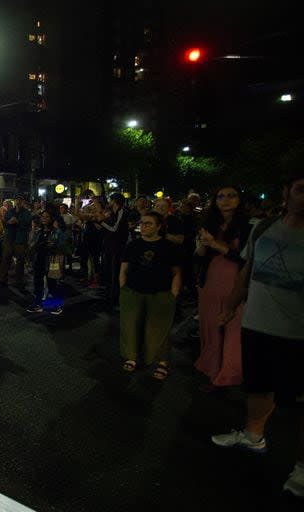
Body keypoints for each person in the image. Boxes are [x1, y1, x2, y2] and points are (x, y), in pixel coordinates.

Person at [211, 173, 304, 498]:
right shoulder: (263, 228)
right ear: (287, 192)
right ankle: (253, 435)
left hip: (298, 334)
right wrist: (230, 307)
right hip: (257, 325)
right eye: (301, 189)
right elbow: (247, 271)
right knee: (258, 387)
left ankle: (302, 469)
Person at [193, 185, 250, 391]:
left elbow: (246, 260)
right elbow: (199, 257)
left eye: (231, 196)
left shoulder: (247, 227)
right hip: (210, 282)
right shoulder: (209, 224)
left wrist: (217, 246)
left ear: (239, 200)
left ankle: (229, 374)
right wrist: (201, 246)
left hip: (235, 283)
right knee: (211, 328)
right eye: (221, 196)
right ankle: (212, 369)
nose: (225, 200)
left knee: (233, 329)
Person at [118, 211, 181, 380]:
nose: (144, 226)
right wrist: (123, 287)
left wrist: (174, 293)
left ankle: (162, 361)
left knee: (159, 328)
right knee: (130, 325)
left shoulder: (168, 247)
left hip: (160, 292)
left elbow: (176, 271)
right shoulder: (133, 245)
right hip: (133, 290)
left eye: (149, 223)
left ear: (159, 226)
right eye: (142, 223)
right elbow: (124, 268)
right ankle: (132, 356)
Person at [27, 210, 68, 314]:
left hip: (52, 261)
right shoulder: (39, 232)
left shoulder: (57, 232)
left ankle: (57, 305)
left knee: (52, 283)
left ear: (52, 219)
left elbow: (64, 248)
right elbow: (32, 245)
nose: (44, 218)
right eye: (43, 217)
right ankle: (38, 303)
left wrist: (54, 246)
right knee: (38, 283)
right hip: (39, 260)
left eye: (47, 217)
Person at [0, 194, 32, 286]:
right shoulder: (10, 211)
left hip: (20, 239)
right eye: (17, 200)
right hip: (9, 238)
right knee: (5, 259)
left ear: (23, 202)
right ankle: (3, 279)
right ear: (15, 201)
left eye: (20, 200)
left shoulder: (27, 213)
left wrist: (18, 222)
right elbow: (5, 223)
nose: (18, 202)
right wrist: (9, 222)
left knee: (20, 261)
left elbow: (28, 226)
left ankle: (19, 279)